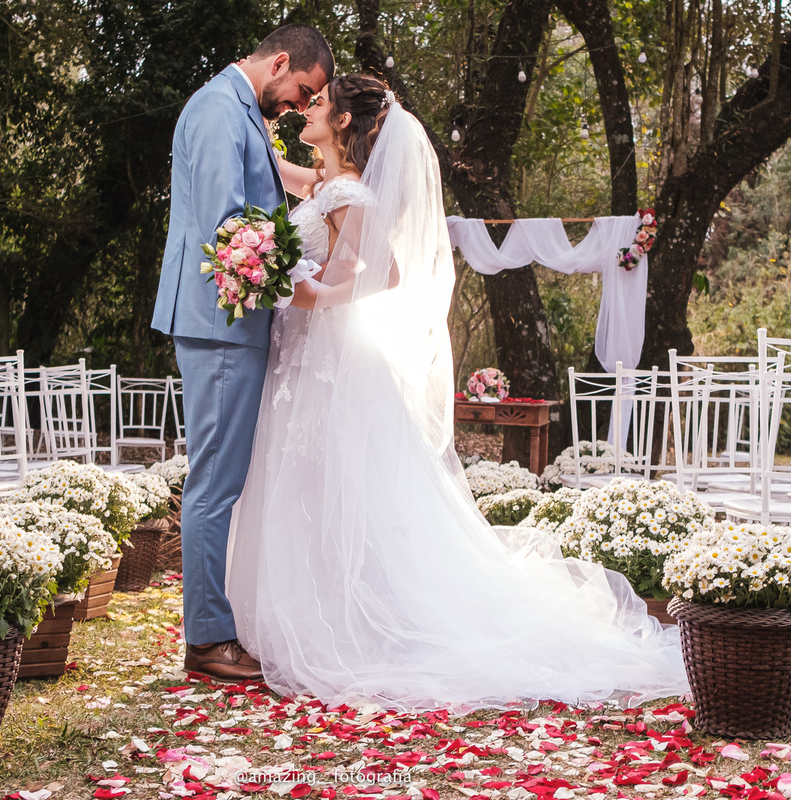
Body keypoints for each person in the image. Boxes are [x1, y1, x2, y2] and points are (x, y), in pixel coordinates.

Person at [226, 75, 690, 711]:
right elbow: (295, 179)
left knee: (336, 482)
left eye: (316, 102)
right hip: (308, 358)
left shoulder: (346, 189)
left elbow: (382, 273)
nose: (306, 108)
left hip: (330, 356)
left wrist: (310, 295)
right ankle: (315, 604)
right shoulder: (330, 182)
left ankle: (356, 616)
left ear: (341, 122)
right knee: (313, 481)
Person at [152, 25, 334, 684]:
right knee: (215, 484)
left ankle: (218, 624)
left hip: (237, 321)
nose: (294, 107)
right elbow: (228, 226)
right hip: (218, 323)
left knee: (225, 481)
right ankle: (207, 638)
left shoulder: (243, 113)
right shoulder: (213, 109)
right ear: (280, 61)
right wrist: (307, 284)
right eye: (301, 92)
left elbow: (275, 194)